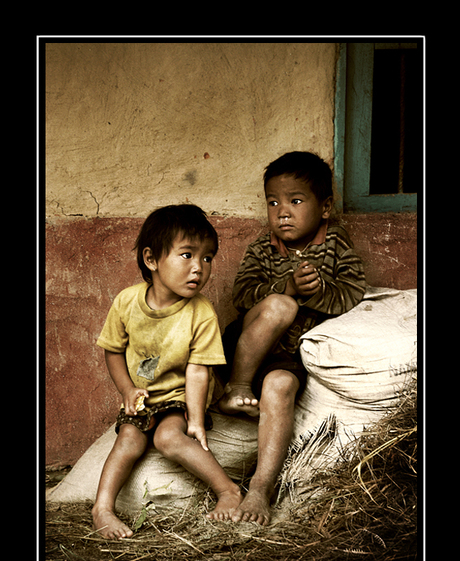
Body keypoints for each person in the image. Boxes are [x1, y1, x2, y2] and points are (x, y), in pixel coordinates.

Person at [218, 151, 366, 525]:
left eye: (295, 201)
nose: (282, 212)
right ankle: (235, 388)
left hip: (289, 354)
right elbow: (242, 295)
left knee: (282, 385)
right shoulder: (263, 246)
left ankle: (260, 489)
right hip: (250, 342)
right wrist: (285, 288)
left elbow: (352, 293)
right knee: (281, 307)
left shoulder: (337, 247)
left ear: (326, 206)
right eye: (273, 202)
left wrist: (316, 292)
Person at [93, 204, 242, 539]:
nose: (199, 268)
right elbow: (113, 351)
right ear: (151, 259)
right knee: (129, 439)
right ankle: (102, 508)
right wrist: (127, 391)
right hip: (142, 398)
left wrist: (196, 419)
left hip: (177, 397)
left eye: (207, 258)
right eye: (187, 255)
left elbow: (198, 371)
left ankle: (228, 490)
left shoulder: (200, 312)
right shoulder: (127, 302)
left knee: (168, 438)